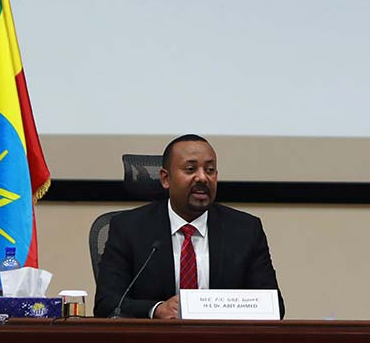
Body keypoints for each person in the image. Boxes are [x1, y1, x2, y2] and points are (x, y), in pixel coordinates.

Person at [94, 134, 284, 319]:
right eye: (190, 169)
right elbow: (107, 303)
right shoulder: (129, 228)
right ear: (165, 178)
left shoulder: (245, 230)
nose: (202, 178)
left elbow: (274, 306)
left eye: (210, 170)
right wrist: (156, 309)